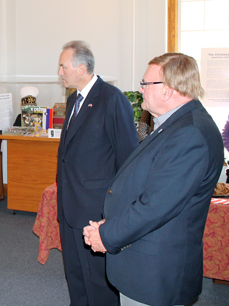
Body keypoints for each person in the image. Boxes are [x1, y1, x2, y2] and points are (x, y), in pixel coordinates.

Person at [84, 53, 224, 306]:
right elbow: (150, 185)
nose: (140, 89)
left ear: (168, 90)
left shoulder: (189, 133)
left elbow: (157, 206)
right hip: (144, 260)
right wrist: (111, 220)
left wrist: (106, 234)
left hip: (157, 271)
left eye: (145, 83)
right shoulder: (175, 124)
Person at [56, 40, 139, 306]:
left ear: (81, 68)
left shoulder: (113, 99)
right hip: (69, 205)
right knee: (75, 275)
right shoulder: (72, 100)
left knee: (98, 282)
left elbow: (127, 160)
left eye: (62, 66)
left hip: (95, 210)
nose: (59, 72)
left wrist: (114, 213)